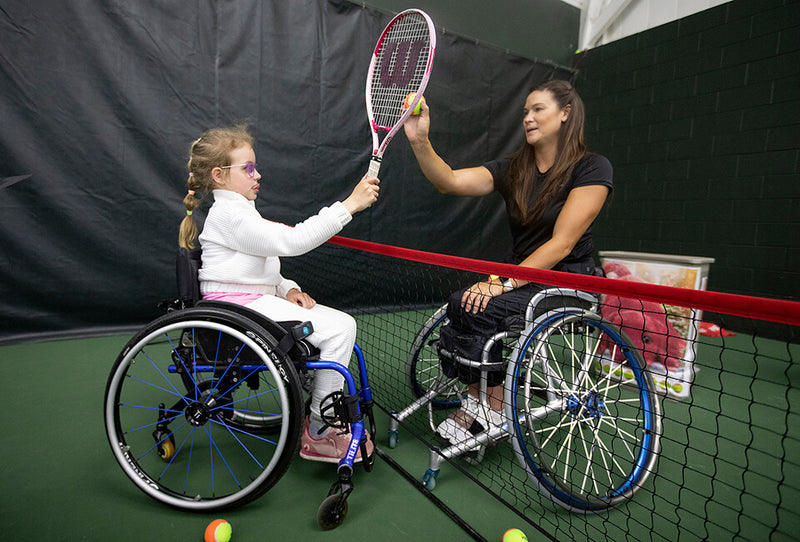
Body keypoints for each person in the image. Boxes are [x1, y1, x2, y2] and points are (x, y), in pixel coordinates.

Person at [403, 80, 612, 443]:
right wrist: (420, 141)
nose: (528, 118)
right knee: (463, 302)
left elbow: (562, 244)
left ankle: (492, 409)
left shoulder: (592, 168)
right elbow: (449, 181)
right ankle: (483, 402)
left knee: (480, 306)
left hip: (568, 281)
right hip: (523, 277)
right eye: (525, 112)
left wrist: (500, 282)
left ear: (565, 114)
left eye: (538, 110)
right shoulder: (514, 169)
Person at [178, 126, 380, 463]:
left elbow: (257, 269)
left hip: (248, 305)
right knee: (341, 329)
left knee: (340, 325)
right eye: (248, 168)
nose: (257, 174)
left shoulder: (240, 211)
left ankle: (320, 412)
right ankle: (318, 432)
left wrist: (287, 288)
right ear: (219, 175)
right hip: (236, 315)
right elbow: (294, 241)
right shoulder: (230, 215)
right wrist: (350, 205)